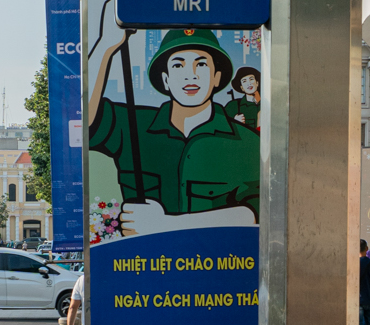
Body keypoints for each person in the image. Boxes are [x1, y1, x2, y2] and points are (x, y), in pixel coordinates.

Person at [86, 27, 259, 237]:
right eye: (178, 65)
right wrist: (106, 43)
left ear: (216, 77)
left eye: (201, 64)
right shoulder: (132, 125)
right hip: (140, 265)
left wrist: (164, 225)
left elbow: (254, 212)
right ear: (166, 80)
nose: (190, 75)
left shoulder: (246, 141)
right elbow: (81, 119)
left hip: (217, 264)